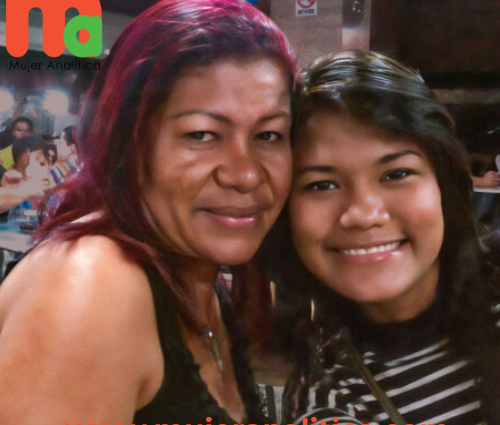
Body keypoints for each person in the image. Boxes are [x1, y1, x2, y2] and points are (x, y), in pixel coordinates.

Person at [0, 1, 296, 424]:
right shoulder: (92, 287)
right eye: (201, 134)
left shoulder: (196, 278)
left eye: (268, 135)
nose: (246, 174)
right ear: (127, 144)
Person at [268, 51, 500, 424]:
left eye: (396, 174)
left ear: (445, 187)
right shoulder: (326, 398)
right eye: (322, 184)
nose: (363, 214)